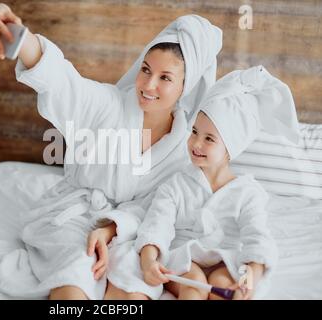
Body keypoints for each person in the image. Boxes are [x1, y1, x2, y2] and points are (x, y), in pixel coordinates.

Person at [0, 3, 222, 299]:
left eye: (165, 77)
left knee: (134, 289)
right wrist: (17, 36)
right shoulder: (108, 105)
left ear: (185, 86)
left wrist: (111, 228)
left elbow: (156, 207)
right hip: (72, 218)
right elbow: (63, 83)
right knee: (75, 277)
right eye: (146, 69)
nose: (148, 84)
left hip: (127, 232)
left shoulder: (183, 147)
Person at [107, 65, 300, 300]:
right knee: (194, 284)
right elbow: (158, 224)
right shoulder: (176, 184)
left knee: (224, 284)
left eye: (209, 138)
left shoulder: (248, 193)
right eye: (195, 132)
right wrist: (149, 260)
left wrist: (251, 276)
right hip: (185, 259)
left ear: (231, 147)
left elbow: (257, 237)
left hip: (227, 259)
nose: (196, 144)